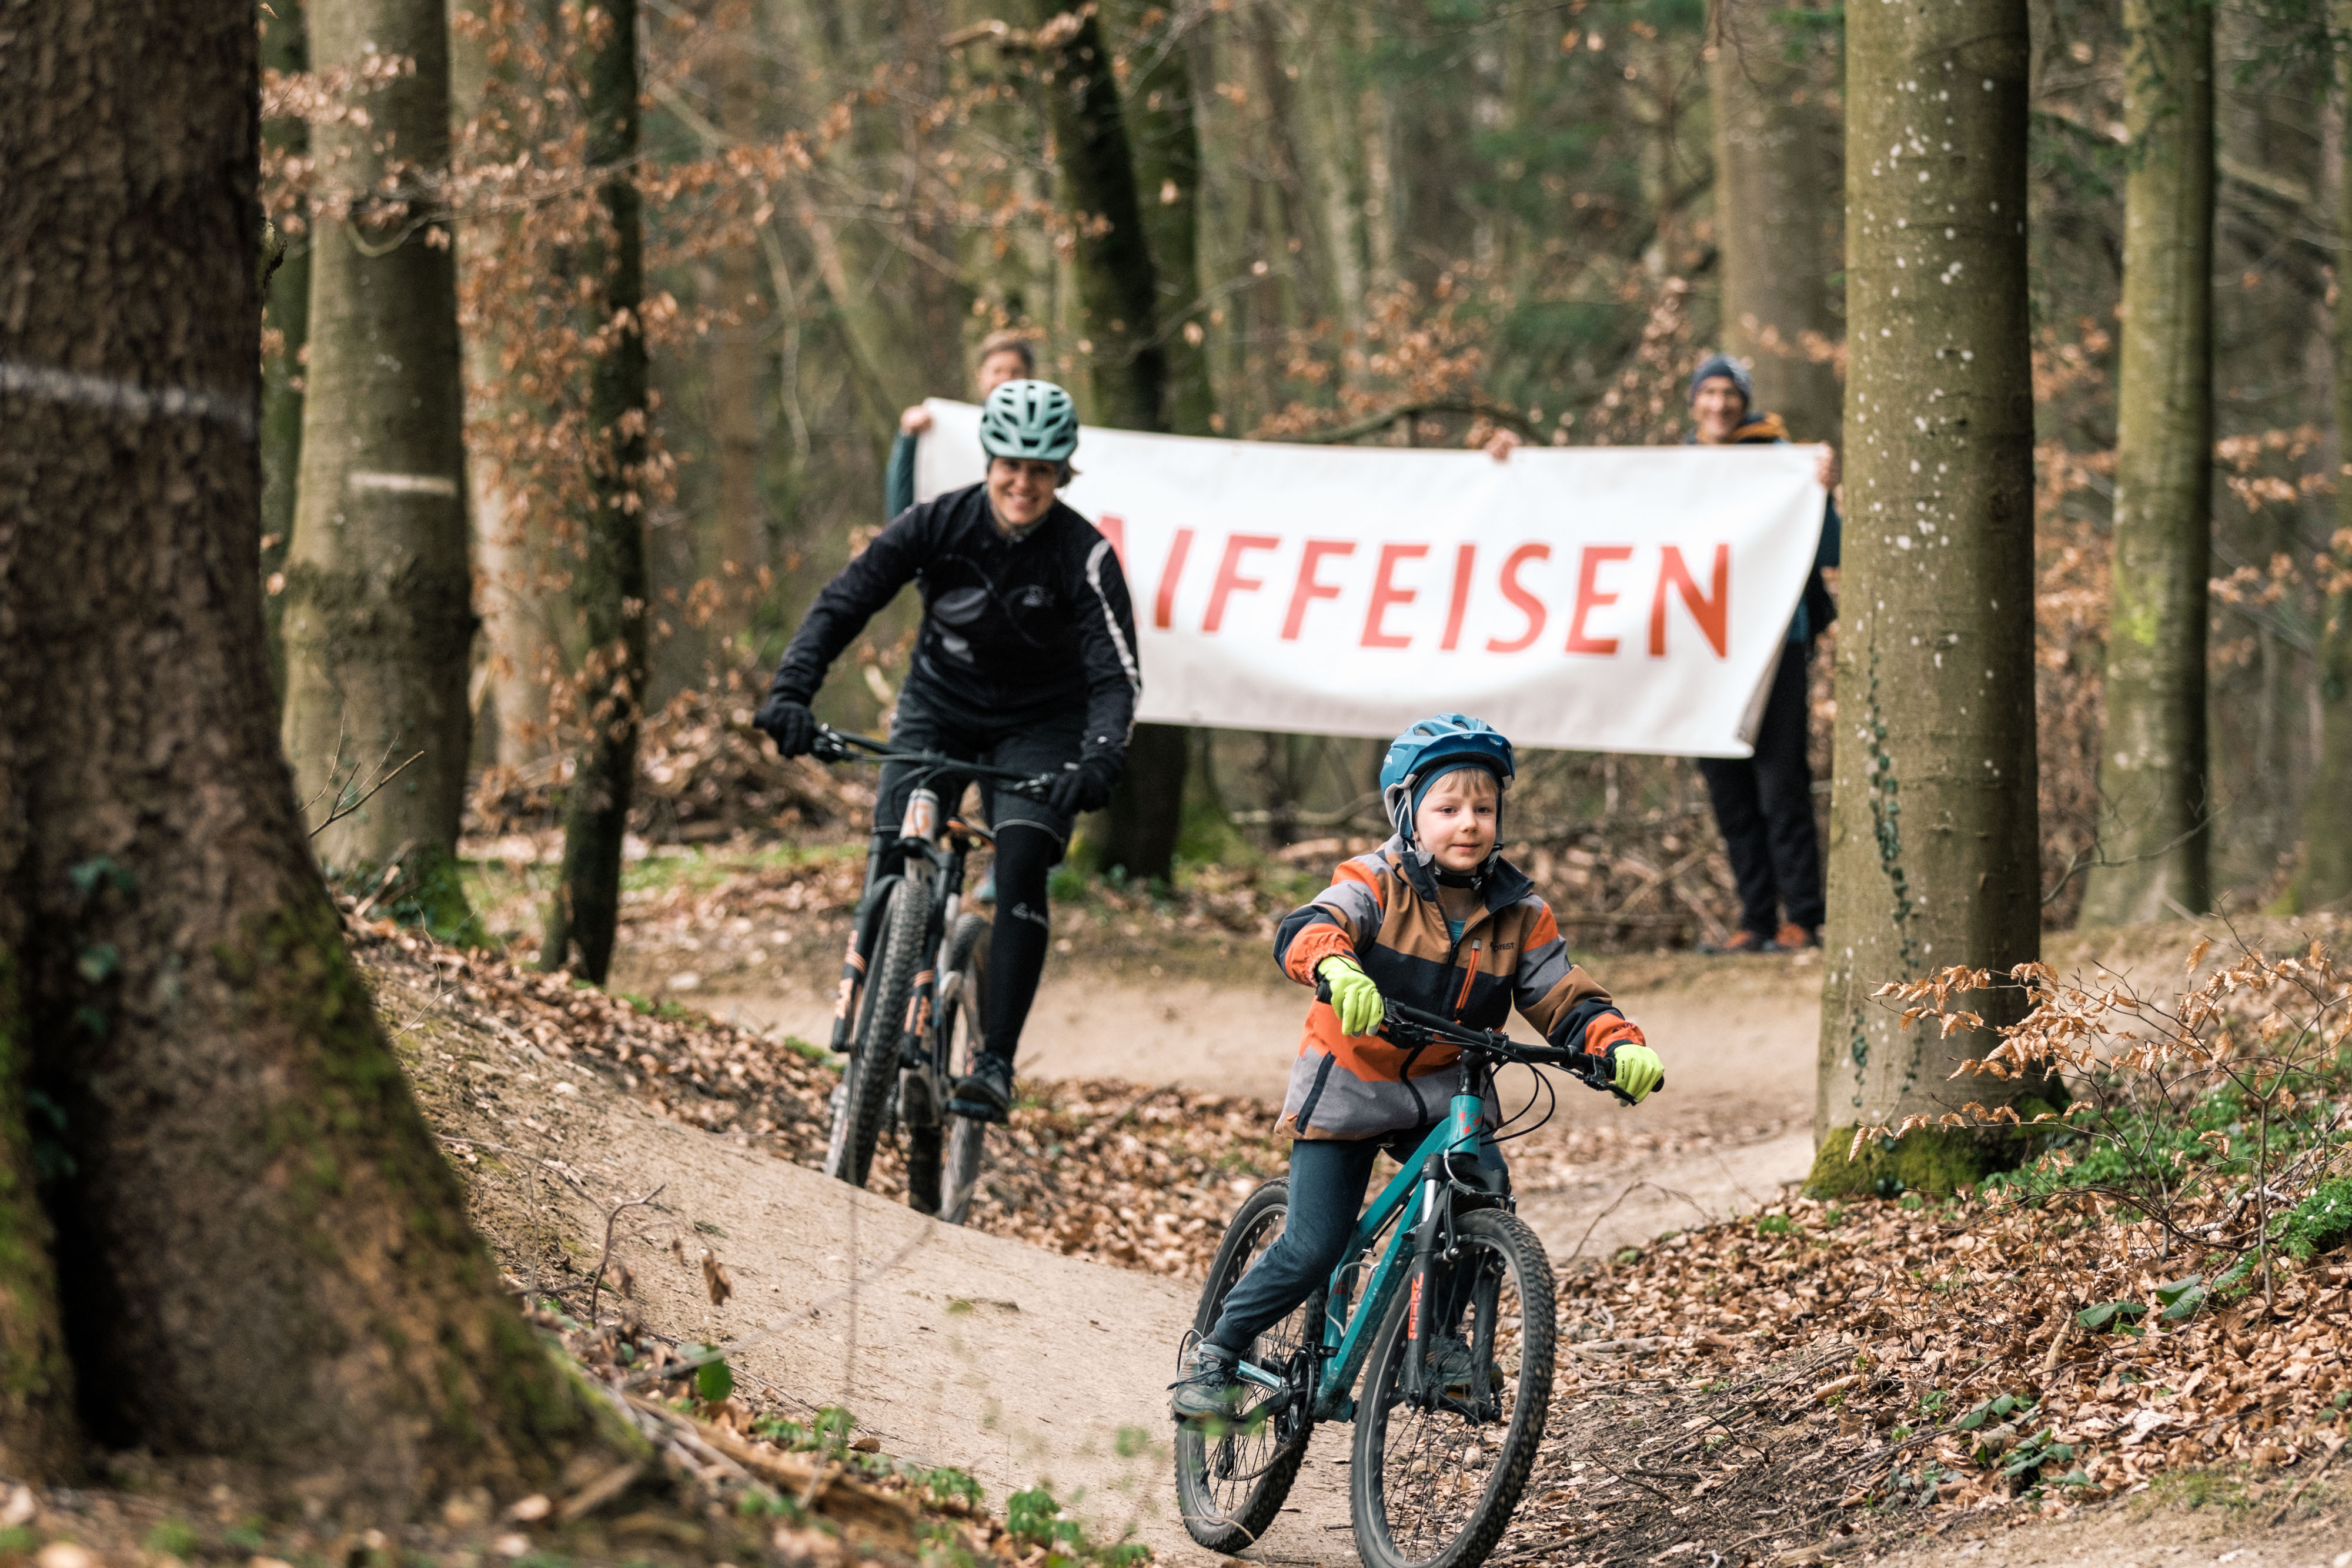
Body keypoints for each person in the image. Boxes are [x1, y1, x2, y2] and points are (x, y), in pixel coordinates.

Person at [1168, 715, 1664, 1420]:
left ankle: (1436, 1345)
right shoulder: (1375, 882)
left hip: (1445, 1090)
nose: (1469, 823)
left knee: (1481, 1188)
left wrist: (1616, 1044)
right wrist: (1337, 967)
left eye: (1484, 808)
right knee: (1314, 1244)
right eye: (1448, 808)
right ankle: (1219, 1351)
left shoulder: (1520, 913)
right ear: (1407, 814)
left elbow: (1561, 995)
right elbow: (1309, 926)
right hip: (1349, 1083)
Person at [754, 379, 1141, 1122]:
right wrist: (792, 694)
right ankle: (874, 1002)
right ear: (990, 461)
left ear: (1060, 473)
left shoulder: (1082, 555)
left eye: (1040, 469)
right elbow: (845, 601)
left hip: (1041, 726)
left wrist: (1098, 757)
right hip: (940, 707)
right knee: (897, 839)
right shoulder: (940, 523)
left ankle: (994, 1062)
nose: (1022, 483)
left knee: (1023, 854)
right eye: (1011, 465)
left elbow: (1114, 676)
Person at [1485, 354, 1840, 953]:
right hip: (1698, 651)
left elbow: (1826, 546)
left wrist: (1823, 489)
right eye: (1709, 392)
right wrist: (1515, 467)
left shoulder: (1781, 461)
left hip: (1775, 644)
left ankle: (1801, 919)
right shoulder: (1670, 469)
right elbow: (1595, 508)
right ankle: (1754, 921)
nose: (1719, 404)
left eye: (1730, 393)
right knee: (1726, 789)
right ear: (1692, 401)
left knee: (1781, 786)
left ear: (1744, 401)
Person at [887, 331, 1036, 522]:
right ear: (980, 376)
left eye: (1015, 372)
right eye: (997, 371)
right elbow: (901, 505)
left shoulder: (1052, 436)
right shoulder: (945, 428)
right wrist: (909, 438)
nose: (1006, 381)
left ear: (1030, 379)